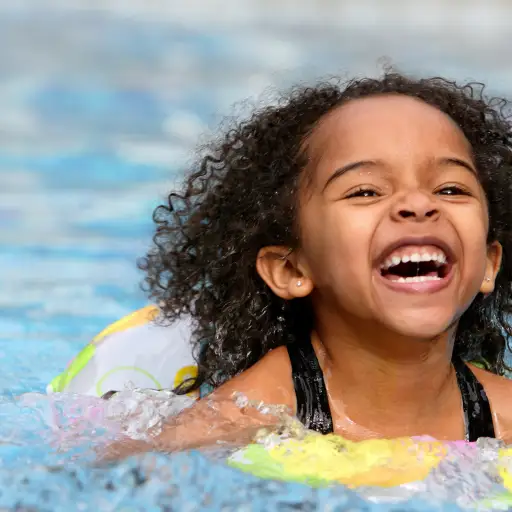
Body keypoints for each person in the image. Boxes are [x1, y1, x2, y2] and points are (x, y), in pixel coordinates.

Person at [105, 72, 512, 459]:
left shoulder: (501, 417)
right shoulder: (258, 411)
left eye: (450, 188)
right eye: (365, 191)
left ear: (489, 266)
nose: (419, 204)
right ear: (290, 270)